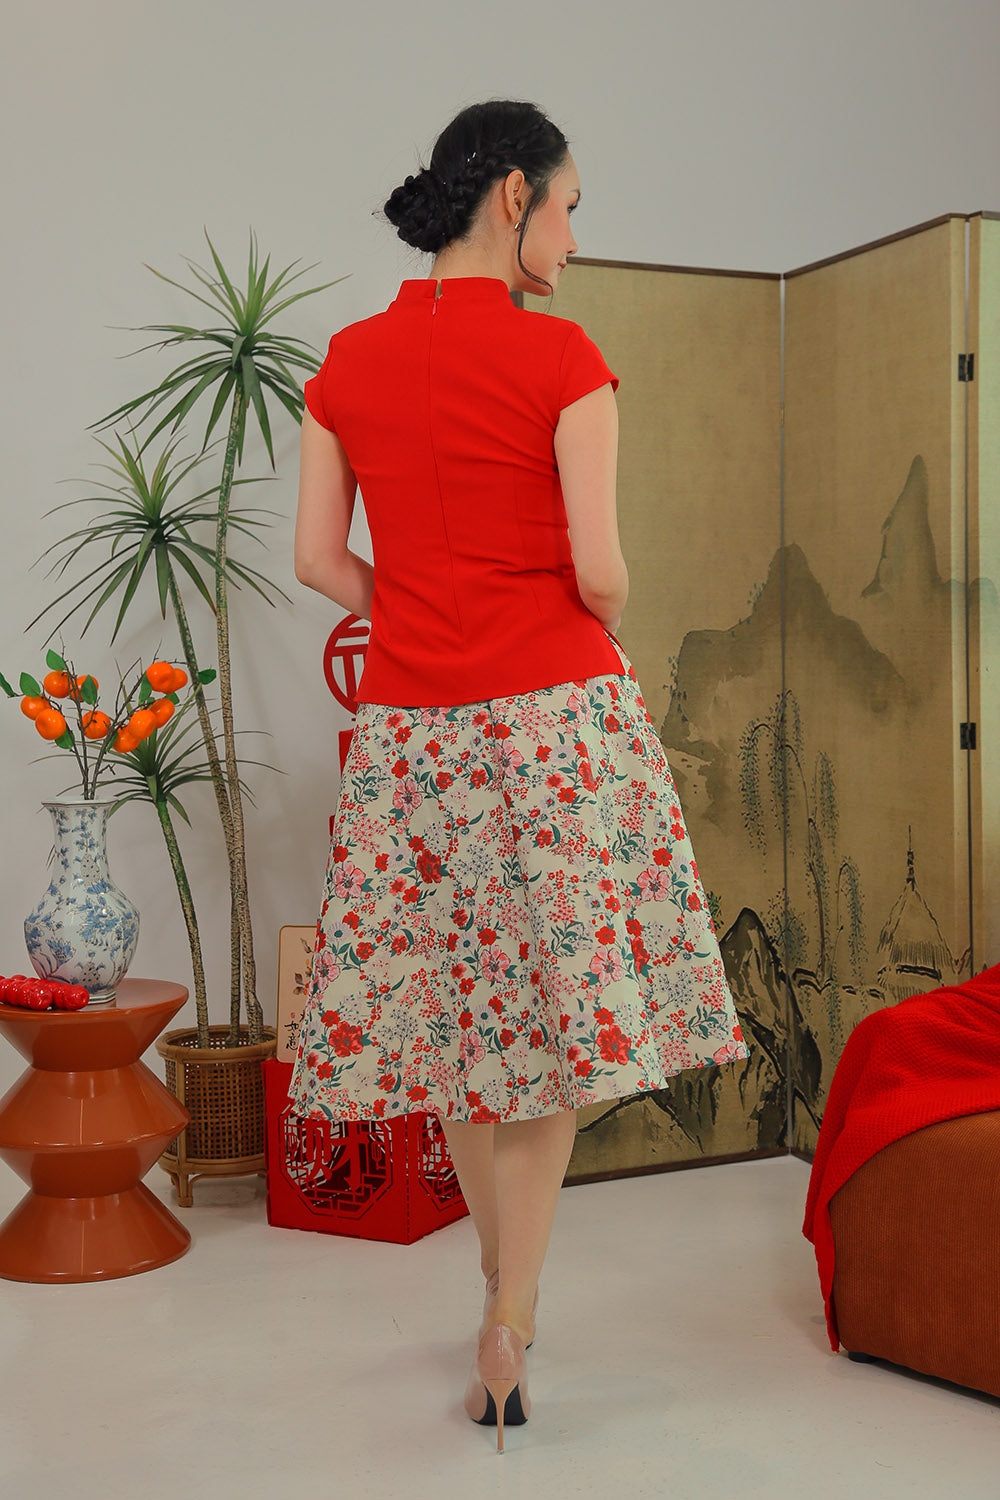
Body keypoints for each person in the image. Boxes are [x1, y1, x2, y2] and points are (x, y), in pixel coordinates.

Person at [288, 98, 750, 1453]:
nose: (574, 237)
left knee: (455, 1022)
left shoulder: (346, 363)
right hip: (552, 719)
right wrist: (583, 604)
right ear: (511, 196)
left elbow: (317, 560)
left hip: (414, 734)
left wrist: (416, 609)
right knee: (551, 1030)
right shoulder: (562, 357)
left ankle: (494, 1291)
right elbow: (600, 572)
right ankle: (511, 1316)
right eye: (570, 207)